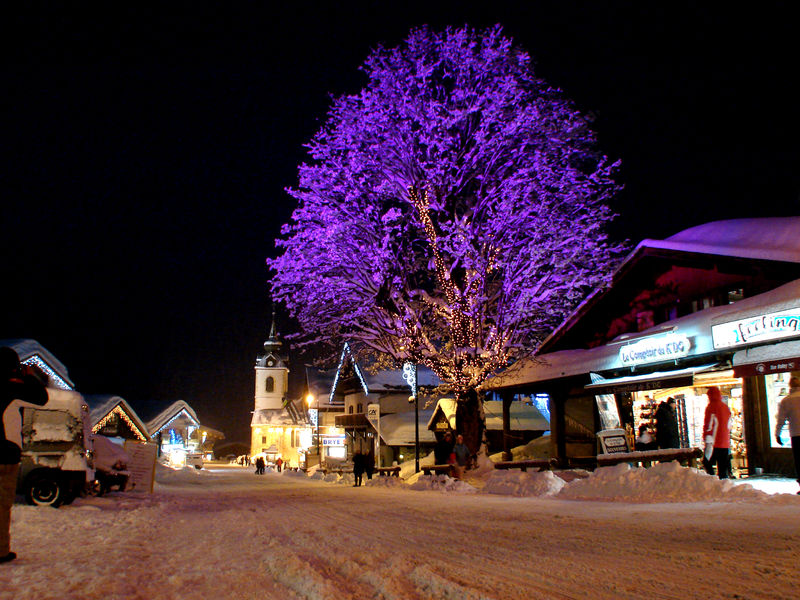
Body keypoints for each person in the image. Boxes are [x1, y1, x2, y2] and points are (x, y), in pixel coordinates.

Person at [1, 347, 48, 564]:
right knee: (1, 506)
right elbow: (41, 398)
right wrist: (29, 377)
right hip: (3, 456)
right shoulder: (9, 387)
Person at [775, 376, 800, 494]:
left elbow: (781, 420)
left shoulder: (786, 401)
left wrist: (777, 434)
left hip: (796, 434)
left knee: (799, 460)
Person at [702, 386, 731, 479]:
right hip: (725, 442)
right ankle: (724, 486)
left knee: (707, 462)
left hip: (714, 441)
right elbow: (729, 424)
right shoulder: (725, 407)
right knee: (723, 468)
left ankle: (712, 481)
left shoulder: (711, 407)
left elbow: (709, 424)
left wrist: (706, 437)